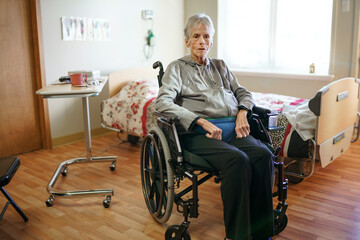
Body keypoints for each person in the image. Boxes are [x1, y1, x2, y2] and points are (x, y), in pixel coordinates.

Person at [155, 13, 274, 240]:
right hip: (198, 133)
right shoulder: (177, 68)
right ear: (187, 41)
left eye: (206, 36)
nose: (202, 41)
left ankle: (261, 232)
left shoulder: (220, 66)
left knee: (263, 155)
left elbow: (244, 93)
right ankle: (238, 235)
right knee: (236, 160)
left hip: (233, 129)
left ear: (211, 41)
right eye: (196, 36)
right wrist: (199, 120)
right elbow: (162, 103)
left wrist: (242, 112)